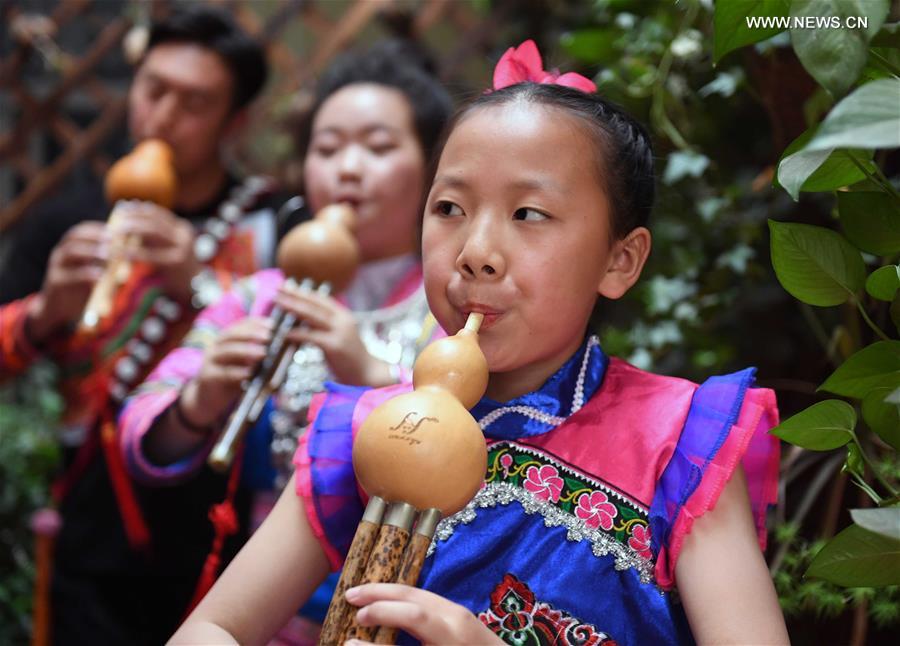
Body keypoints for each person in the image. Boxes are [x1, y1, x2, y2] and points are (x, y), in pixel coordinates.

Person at [171, 39, 790, 645]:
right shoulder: (367, 429)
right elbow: (213, 625)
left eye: (528, 214)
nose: (475, 255)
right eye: (449, 208)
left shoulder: (677, 442)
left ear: (620, 260)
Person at [117, 40, 452, 634]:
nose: (348, 168)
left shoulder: (452, 308)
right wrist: (199, 400)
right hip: (271, 609)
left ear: (432, 170)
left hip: (415, 605)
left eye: (378, 147)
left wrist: (370, 380)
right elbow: (141, 434)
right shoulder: (259, 296)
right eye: (327, 149)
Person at [0, 6, 303, 645]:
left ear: (235, 120)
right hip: (91, 514)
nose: (162, 117)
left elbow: (299, 356)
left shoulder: (274, 223)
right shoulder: (69, 221)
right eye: (153, 89)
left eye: (193, 103)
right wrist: (48, 309)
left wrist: (199, 284)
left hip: (227, 514)